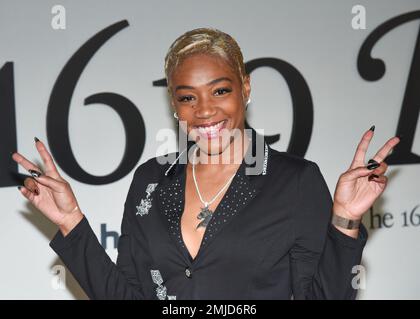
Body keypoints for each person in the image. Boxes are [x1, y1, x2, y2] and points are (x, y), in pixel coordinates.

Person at [11, 28, 400, 300]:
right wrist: (70, 223)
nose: (205, 110)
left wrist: (345, 220)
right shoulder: (151, 180)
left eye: (220, 90)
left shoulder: (294, 181)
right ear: (173, 105)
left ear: (245, 88)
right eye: (187, 97)